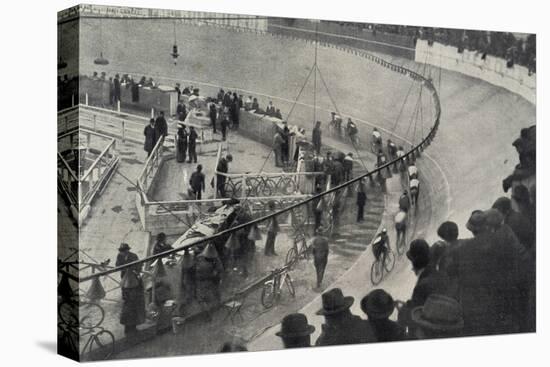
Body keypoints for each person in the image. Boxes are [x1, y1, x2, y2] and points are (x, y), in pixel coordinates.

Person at [116, 243, 145, 336]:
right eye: (122, 251)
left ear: (127, 250)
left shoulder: (133, 256)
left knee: (135, 305)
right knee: (127, 305)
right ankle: (127, 328)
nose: (123, 253)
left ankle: (133, 327)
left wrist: (133, 270)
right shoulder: (120, 256)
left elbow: (139, 266)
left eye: (124, 251)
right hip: (125, 283)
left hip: (134, 282)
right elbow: (117, 266)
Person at [193, 244, 224, 317]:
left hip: (207, 281)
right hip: (205, 281)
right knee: (207, 298)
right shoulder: (201, 258)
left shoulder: (200, 258)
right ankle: (210, 312)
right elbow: (220, 269)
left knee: (205, 298)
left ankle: (210, 312)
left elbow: (219, 269)